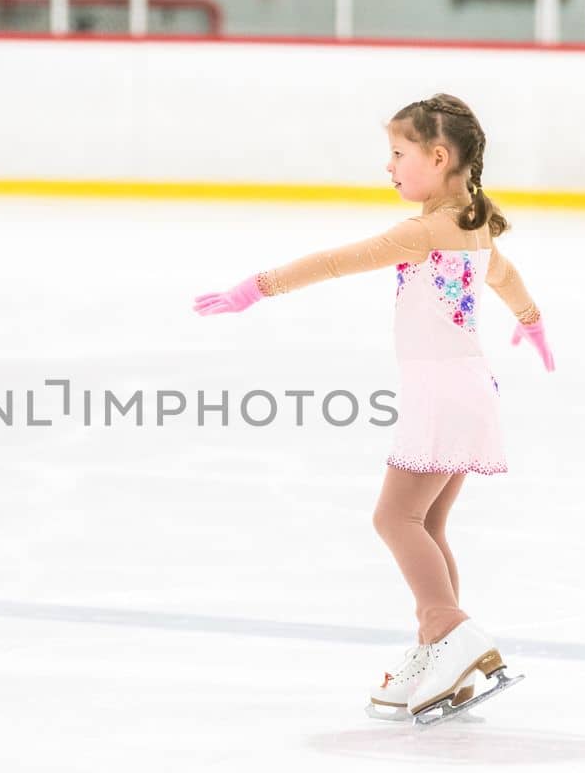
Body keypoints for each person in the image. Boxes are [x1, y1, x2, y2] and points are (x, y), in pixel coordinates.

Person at [192, 94, 554, 724]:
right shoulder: (472, 223)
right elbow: (503, 276)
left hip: (441, 393)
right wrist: (532, 324)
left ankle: (451, 631)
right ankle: (438, 654)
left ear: (438, 157)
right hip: (467, 388)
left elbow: (336, 262)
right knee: (427, 524)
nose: (389, 168)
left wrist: (254, 289)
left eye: (398, 154)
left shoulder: (422, 232)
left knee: (394, 519)